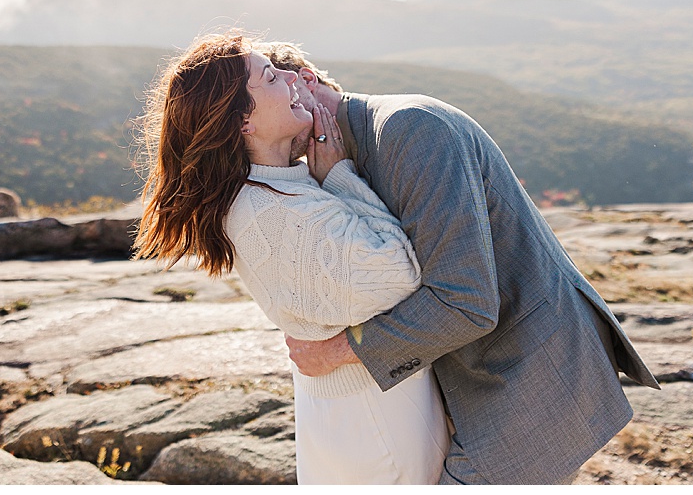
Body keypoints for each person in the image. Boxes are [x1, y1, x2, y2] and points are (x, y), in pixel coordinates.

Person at [259, 39, 660, 484]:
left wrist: (337, 351)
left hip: (535, 368)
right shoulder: (342, 157)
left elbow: (465, 301)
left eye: (288, 97)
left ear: (307, 81)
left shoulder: (409, 130)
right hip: (478, 376)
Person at [135, 31, 446, 483]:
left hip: (364, 406)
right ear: (244, 121)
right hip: (375, 422)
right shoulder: (268, 212)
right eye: (270, 76)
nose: (290, 75)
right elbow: (399, 276)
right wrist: (340, 176)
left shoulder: (282, 184)